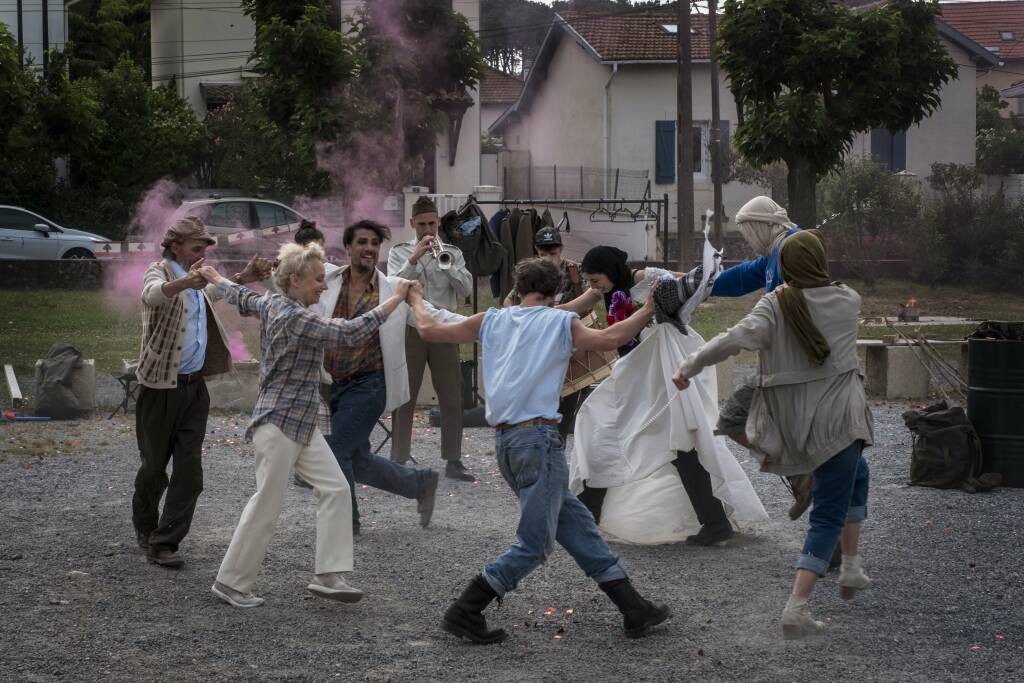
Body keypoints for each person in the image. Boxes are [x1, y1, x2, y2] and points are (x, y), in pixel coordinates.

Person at [410, 258, 671, 644]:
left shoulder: (492, 320)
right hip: (538, 441)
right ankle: (466, 609)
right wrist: (649, 309)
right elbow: (610, 340)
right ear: (554, 293)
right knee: (534, 545)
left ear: (518, 287)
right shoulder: (560, 322)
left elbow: (429, 330)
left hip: (506, 445)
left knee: (577, 526)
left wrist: (414, 296)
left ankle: (633, 607)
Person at [672, 229, 874, 639]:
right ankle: (797, 608)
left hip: (797, 423)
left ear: (783, 266)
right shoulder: (848, 300)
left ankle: (851, 568)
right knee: (829, 513)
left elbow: (730, 341)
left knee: (859, 476)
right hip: (843, 421)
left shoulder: (774, 308)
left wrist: (688, 367)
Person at [199, 242, 414, 608]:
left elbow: (240, 296)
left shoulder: (274, 304)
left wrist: (215, 276)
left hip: (299, 423)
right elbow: (348, 333)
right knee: (266, 503)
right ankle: (231, 583)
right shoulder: (294, 317)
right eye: (317, 280)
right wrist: (396, 299)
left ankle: (328, 575)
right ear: (295, 280)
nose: (323, 286)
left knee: (335, 489)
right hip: (280, 422)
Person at [565, 246, 762, 546]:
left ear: (611, 269)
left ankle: (714, 522)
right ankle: (590, 514)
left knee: (676, 441)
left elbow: (689, 284)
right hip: (634, 373)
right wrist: (527, 314)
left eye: (596, 279)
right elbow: (571, 308)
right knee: (602, 427)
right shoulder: (598, 291)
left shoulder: (645, 277)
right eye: (589, 281)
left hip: (658, 370)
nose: (593, 286)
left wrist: (707, 277)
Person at [133, 217, 270, 568]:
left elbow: (213, 291)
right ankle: (146, 527)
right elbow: (150, 295)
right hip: (160, 389)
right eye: (197, 244)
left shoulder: (198, 275)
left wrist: (244, 278)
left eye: (206, 245)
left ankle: (164, 542)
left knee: (190, 472)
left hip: (195, 389)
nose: (203, 250)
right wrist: (183, 282)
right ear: (176, 244)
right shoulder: (159, 271)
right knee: (153, 468)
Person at [309, 219, 460, 534]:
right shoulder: (328, 280)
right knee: (358, 459)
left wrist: (487, 323)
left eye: (374, 244)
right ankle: (420, 483)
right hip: (333, 384)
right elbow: (287, 283)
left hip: (370, 384)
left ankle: (344, 524)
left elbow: (434, 315)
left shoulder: (393, 288)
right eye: (362, 242)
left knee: (335, 449)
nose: (368, 249)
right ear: (348, 247)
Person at [708, 196, 815, 521]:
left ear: (763, 225)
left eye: (749, 231)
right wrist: (692, 282)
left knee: (734, 418)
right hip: (784, 364)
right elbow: (737, 278)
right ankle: (803, 480)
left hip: (797, 366)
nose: (749, 240)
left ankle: (803, 478)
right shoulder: (775, 252)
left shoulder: (792, 248)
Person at [388, 196, 476, 481]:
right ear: (412, 223)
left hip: (444, 328)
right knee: (406, 395)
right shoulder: (399, 252)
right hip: (411, 328)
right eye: (422, 223)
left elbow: (466, 290)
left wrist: (446, 265)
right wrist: (414, 258)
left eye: (432, 223)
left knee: (452, 394)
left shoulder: (452, 252)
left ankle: (453, 458)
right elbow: (393, 289)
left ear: (438, 222)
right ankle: (398, 456)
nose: (428, 229)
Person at [502, 225, 592, 442]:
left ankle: (557, 447)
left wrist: (558, 313)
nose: (549, 259)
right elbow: (509, 300)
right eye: (543, 254)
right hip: (539, 348)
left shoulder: (574, 271)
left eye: (553, 253)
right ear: (536, 251)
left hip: (570, 344)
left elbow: (591, 300)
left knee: (569, 401)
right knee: (543, 403)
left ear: (560, 249)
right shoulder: (533, 273)